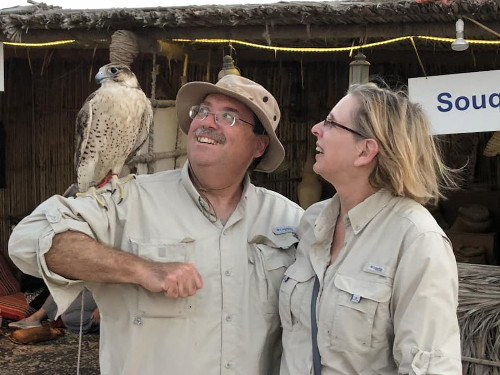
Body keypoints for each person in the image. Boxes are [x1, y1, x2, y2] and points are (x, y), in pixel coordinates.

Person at [9, 74, 303, 375]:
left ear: (259, 146)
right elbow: (28, 241)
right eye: (202, 111)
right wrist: (141, 269)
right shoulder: (129, 200)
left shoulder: (289, 221)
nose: (207, 122)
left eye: (228, 116)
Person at [279, 82, 462, 374]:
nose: (316, 128)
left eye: (330, 122)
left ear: (365, 151)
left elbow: (430, 366)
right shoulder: (313, 221)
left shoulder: (416, 239)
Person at [8, 288, 100, 333]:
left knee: (68, 318)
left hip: (104, 292)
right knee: (62, 289)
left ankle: (103, 321)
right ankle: (35, 319)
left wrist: (99, 309)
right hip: (89, 285)